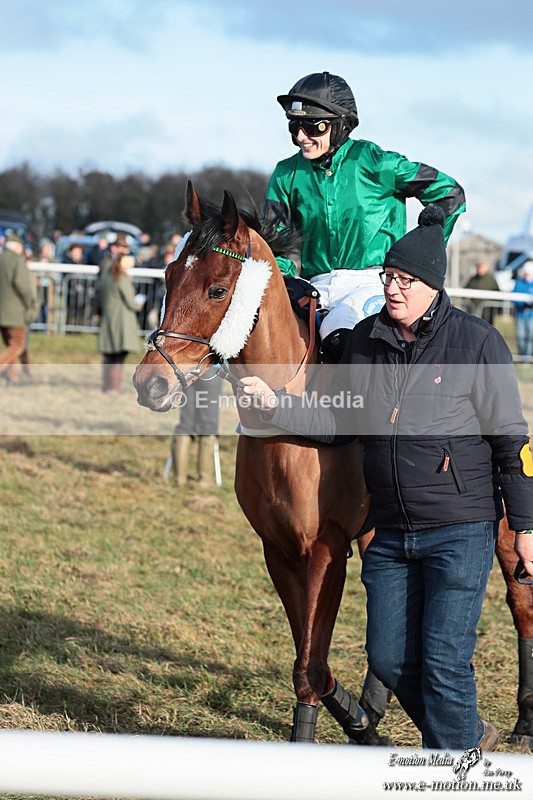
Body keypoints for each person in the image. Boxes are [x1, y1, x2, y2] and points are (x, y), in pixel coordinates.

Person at [240, 205, 533, 750]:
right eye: (388, 278)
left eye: (405, 280)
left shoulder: (477, 343)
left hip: (458, 526)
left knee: (443, 661)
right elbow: (337, 421)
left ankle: (454, 774)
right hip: (392, 531)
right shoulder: (365, 343)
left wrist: (527, 528)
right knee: (390, 660)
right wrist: (276, 406)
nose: (393, 289)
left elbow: (512, 444)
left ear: (433, 285)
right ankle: (469, 739)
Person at [264, 71, 466, 358]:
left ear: (341, 126)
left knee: (340, 336)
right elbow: (276, 243)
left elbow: (450, 194)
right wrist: (284, 281)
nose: (301, 137)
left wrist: (420, 255)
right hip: (313, 285)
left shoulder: (377, 163)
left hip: (369, 281)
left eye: (314, 127)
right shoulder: (285, 174)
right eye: (294, 127)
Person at [97, 252, 144, 393]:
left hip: (108, 319)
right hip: (121, 321)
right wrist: (139, 305)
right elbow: (131, 302)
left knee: (109, 355)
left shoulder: (106, 277)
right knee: (119, 356)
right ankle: (116, 387)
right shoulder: (122, 279)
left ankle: (107, 385)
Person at [169, 375, 223, 488]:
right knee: (209, 426)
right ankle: (205, 481)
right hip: (211, 371)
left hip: (189, 371)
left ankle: (179, 479)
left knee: (186, 424)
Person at [0, 234, 36, 385]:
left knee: (10, 346)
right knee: (17, 345)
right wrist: (30, 303)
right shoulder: (17, 260)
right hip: (14, 312)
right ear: (17, 247)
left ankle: (12, 379)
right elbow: (23, 286)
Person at [464, 259, 500, 323]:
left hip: (487, 312)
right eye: (478, 267)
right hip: (474, 309)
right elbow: (465, 290)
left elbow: (497, 294)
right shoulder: (473, 279)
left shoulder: (491, 279)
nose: (479, 269)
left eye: (481, 267)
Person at [512, 260, 533, 359]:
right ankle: (521, 356)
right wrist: (523, 304)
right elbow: (514, 297)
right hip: (520, 314)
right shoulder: (519, 283)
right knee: (520, 335)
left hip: (531, 315)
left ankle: (527, 358)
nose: (527, 275)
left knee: (530, 336)